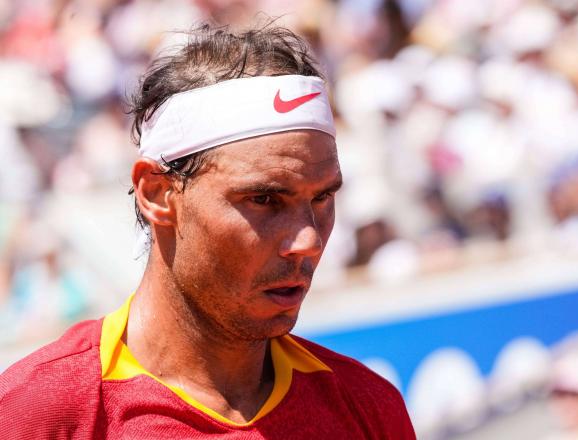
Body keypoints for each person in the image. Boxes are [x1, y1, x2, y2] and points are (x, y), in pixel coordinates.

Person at [0, 24, 415, 439]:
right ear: (158, 194)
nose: (308, 240)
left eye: (322, 198)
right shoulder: (41, 412)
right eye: (265, 200)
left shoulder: (366, 405)